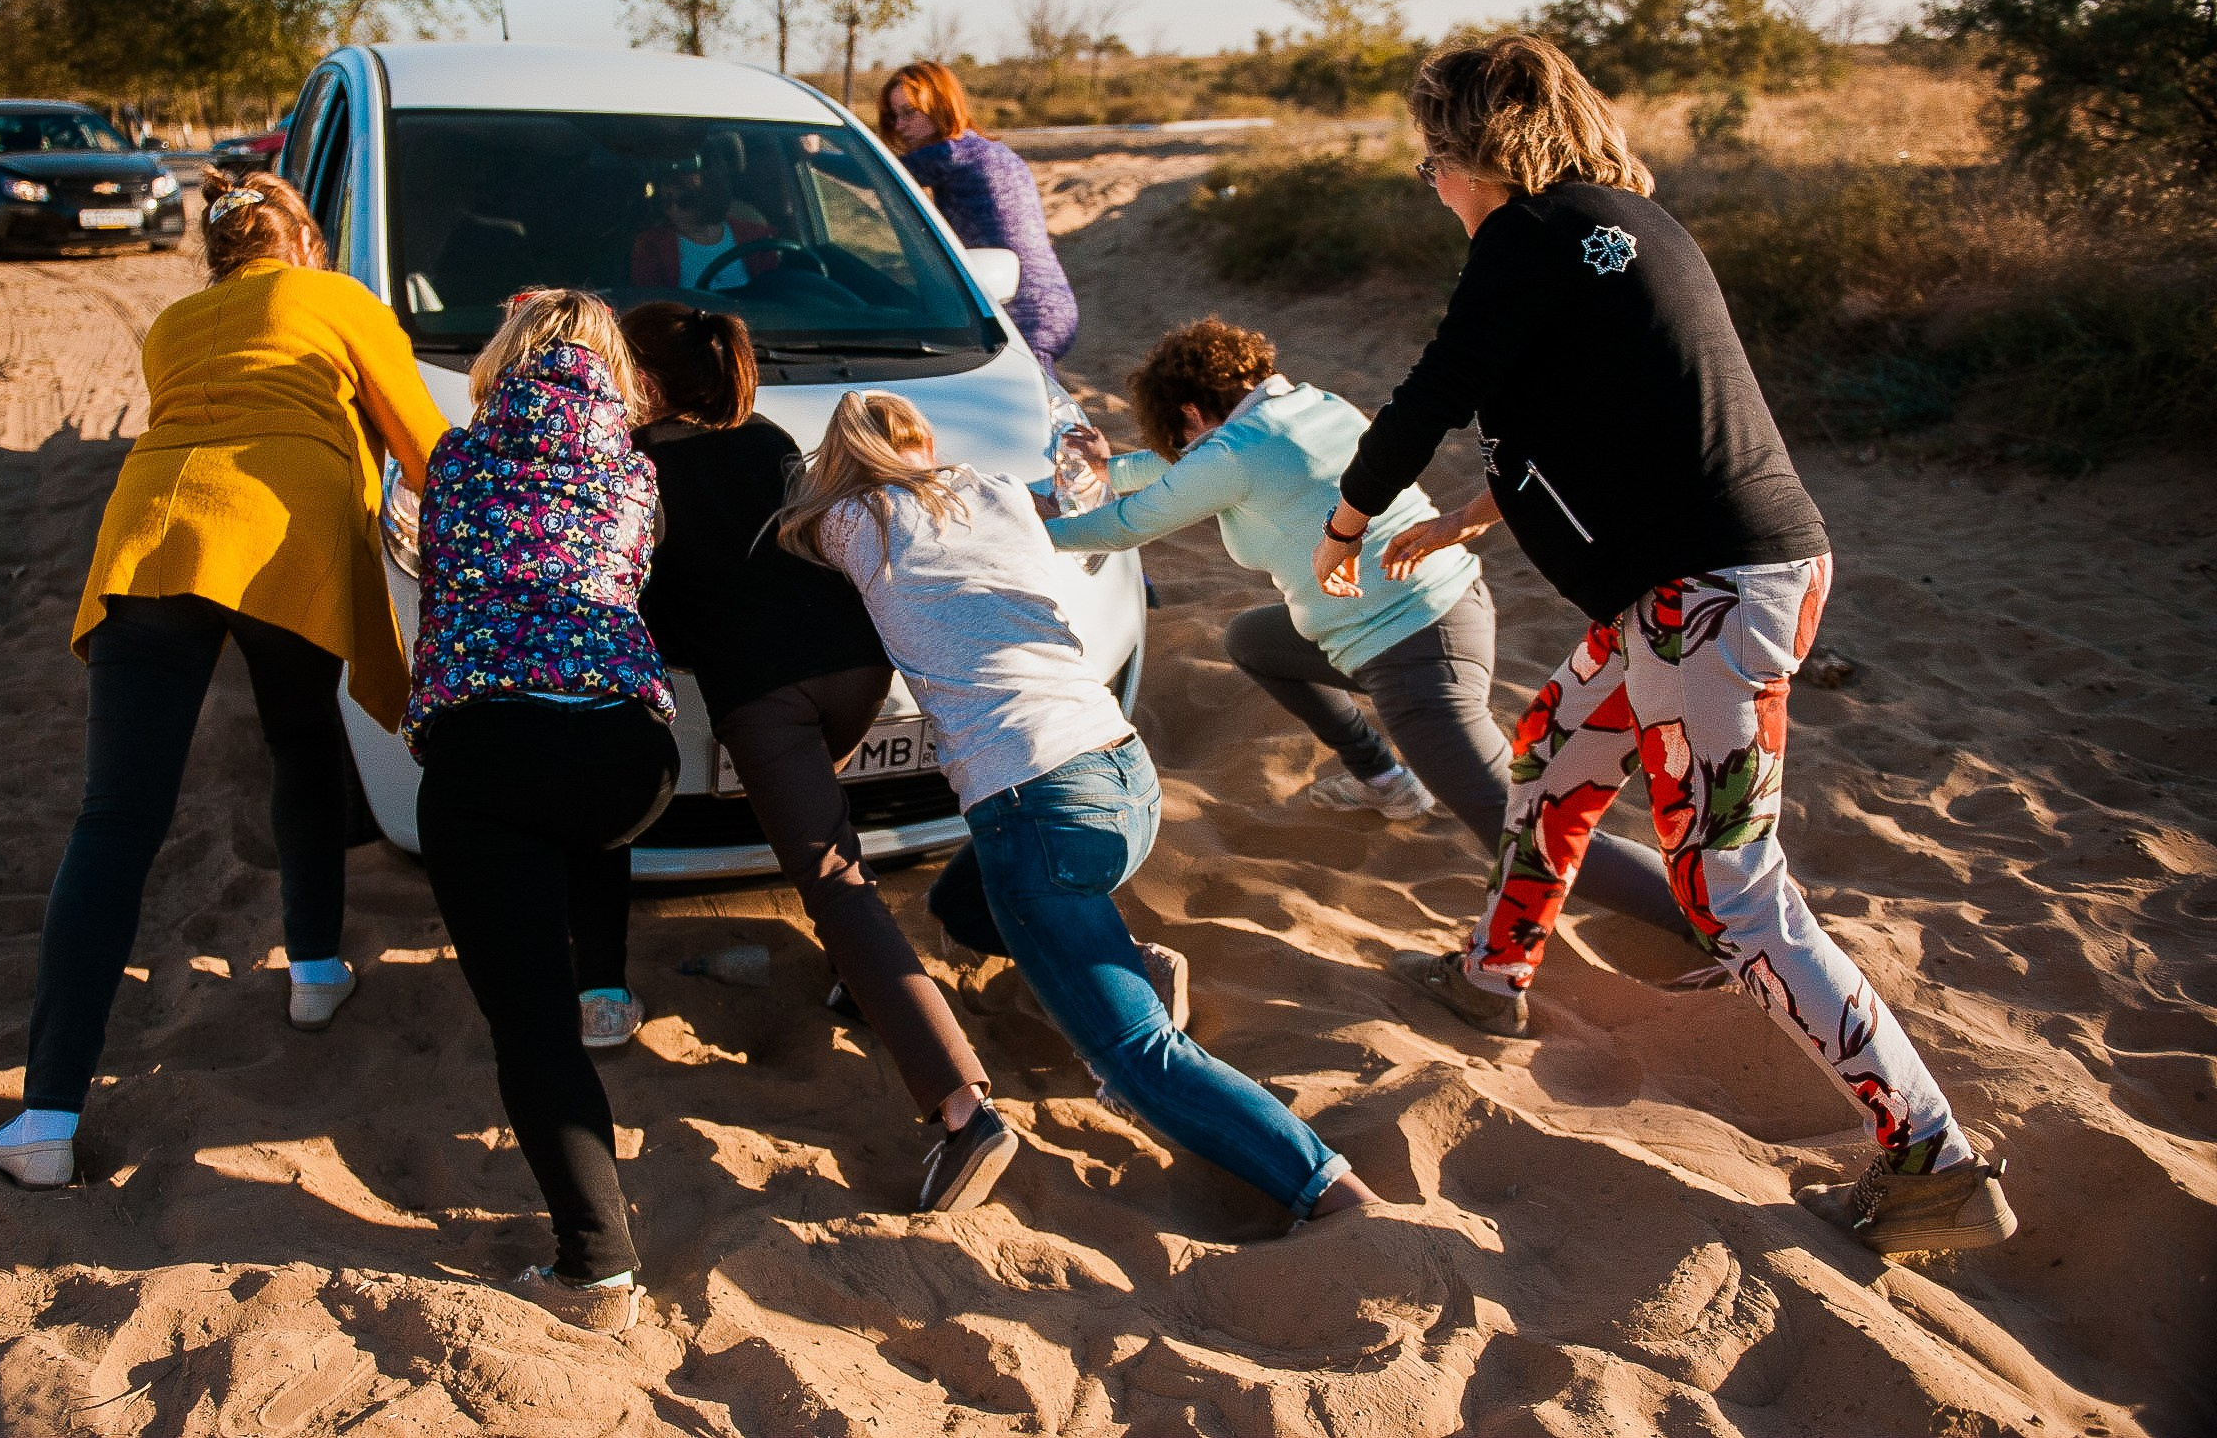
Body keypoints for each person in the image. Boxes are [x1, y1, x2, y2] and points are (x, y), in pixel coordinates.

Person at [1311, 35, 2015, 1257]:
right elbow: (1624, 413)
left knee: (1732, 893)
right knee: (1554, 747)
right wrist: (1475, 514)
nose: (1428, 181)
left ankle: (1930, 1157)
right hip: (1694, 592)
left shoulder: (1525, 235)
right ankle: (1494, 973)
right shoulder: (1626, 224)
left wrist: (1349, 516)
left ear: (1478, 153)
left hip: (1708, 599)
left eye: (1433, 157)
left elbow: (1436, 386)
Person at [780, 390, 1378, 1226]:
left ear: (840, 463)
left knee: (1140, 1058)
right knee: (961, 900)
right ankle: (1130, 955)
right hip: (1122, 773)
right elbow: (1058, 502)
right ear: (924, 441)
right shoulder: (992, 491)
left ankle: (1332, 1192)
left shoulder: (853, 520)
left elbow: (795, 530)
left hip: (1035, 809)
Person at [0, 170, 448, 1192]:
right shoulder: (338, 298)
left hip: (153, 531)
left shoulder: (177, 323)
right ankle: (316, 970)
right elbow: (427, 447)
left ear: (220, 255)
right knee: (298, 743)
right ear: (307, 246)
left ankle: (46, 1113)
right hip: (289, 540)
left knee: (114, 820)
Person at [1047, 317, 1690, 935]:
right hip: (1436, 611)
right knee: (1253, 640)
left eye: (1177, 435)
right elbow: (1185, 472)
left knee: (1524, 823)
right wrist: (1112, 472)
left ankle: (1709, 929)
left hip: (1413, 646)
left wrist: (1029, 529)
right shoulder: (1306, 406)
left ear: (1188, 413)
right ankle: (1386, 781)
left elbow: (1132, 523)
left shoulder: (1234, 452)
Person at [619, 301, 1010, 1209]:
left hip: (764, 694)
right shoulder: (761, 437)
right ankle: (855, 978)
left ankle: (963, 1110)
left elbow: (650, 590)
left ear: (644, 379)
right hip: (854, 668)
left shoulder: (636, 466)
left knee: (831, 875)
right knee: (831, 841)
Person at [404, 289, 678, 1336]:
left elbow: (450, 578)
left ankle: (596, 1265)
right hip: (625, 752)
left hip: (492, 750)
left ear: (503, 357)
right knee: (575, 830)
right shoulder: (637, 472)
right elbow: (630, 577)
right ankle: (603, 976)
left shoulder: (457, 459)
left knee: (528, 1024)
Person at [879, 62, 1078, 375]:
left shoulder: (948, 153)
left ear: (940, 106)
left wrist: (815, 154)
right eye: (894, 116)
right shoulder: (989, 150)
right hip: (1051, 302)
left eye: (909, 112)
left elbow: (877, 175)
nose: (900, 126)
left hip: (1019, 308)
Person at [627, 156, 776, 291]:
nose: (673, 210)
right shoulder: (650, 246)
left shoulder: (757, 238)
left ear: (709, 197)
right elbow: (651, 307)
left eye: (685, 201)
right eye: (666, 202)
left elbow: (775, 295)